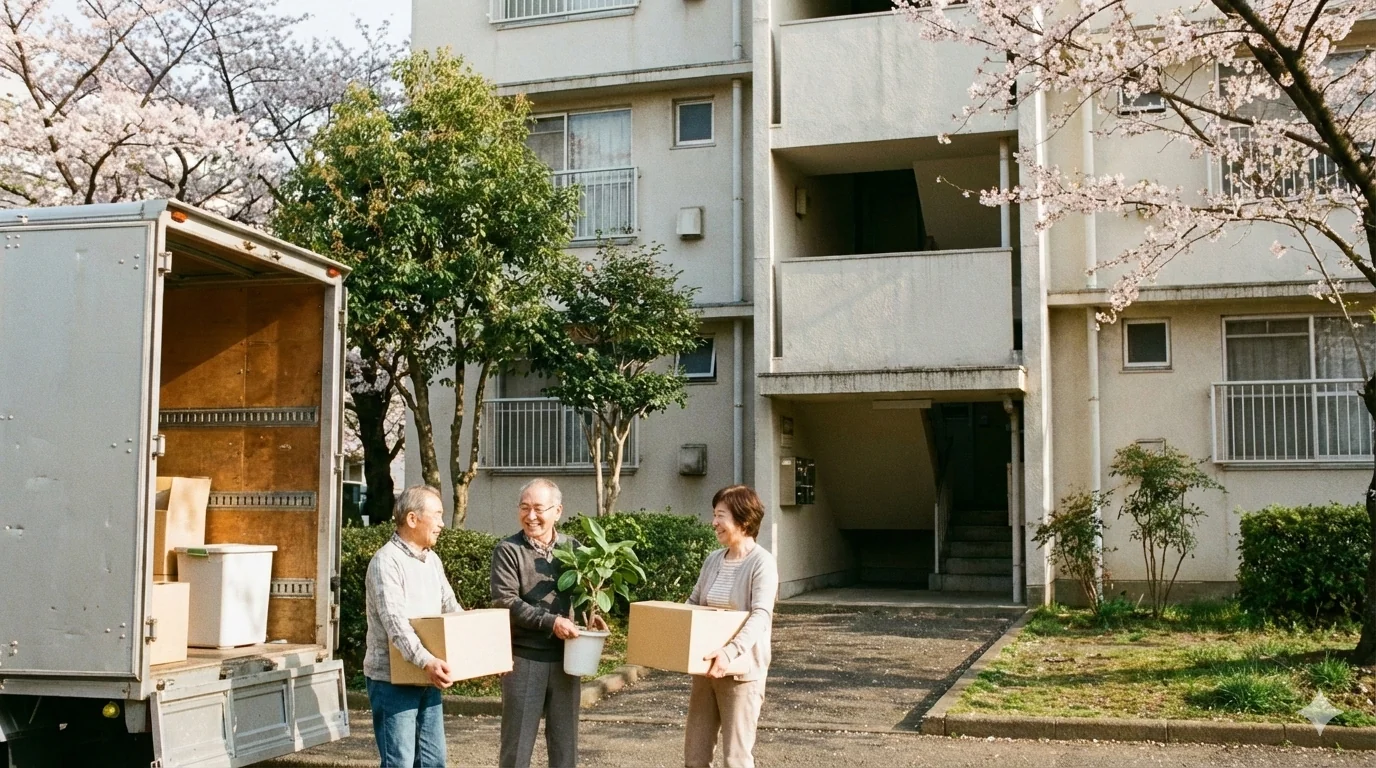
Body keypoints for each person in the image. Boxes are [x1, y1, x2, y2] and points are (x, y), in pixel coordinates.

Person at [490, 478, 606, 768]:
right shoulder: (508, 550)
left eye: (538, 508)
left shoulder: (574, 548)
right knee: (516, 751)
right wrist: (550, 622)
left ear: (558, 511)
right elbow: (506, 601)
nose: (531, 516)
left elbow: (583, 595)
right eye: (524, 508)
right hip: (524, 660)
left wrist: (591, 618)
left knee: (566, 750)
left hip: (568, 660)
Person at [363, 485, 462, 767]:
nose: (443, 523)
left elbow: (451, 609)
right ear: (412, 519)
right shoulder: (386, 562)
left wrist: (480, 652)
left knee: (433, 761)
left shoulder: (432, 560)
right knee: (400, 762)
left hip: (427, 675)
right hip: (392, 679)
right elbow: (396, 625)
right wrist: (427, 661)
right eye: (438, 515)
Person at [683, 485, 779, 768]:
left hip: (741, 673)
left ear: (744, 520)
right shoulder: (713, 559)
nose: (714, 522)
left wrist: (729, 652)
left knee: (735, 759)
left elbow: (760, 616)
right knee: (695, 755)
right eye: (714, 514)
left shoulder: (761, 563)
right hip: (706, 670)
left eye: (720, 515)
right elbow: (694, 603)